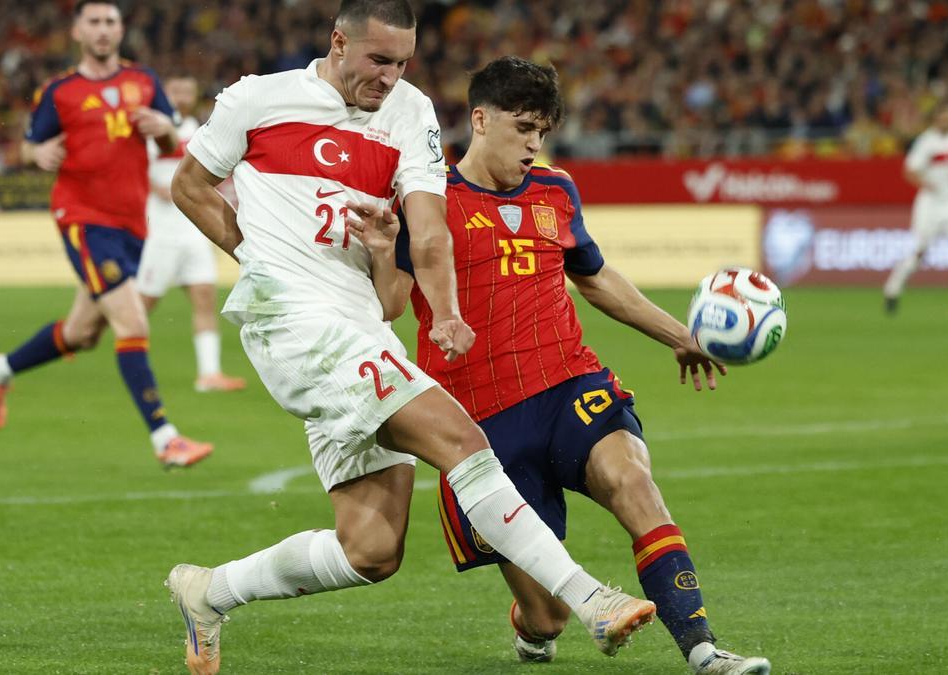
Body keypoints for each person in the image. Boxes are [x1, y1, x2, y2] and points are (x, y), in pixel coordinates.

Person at [165, 3, 657, 674]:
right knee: (463, 442)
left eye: (402, 63)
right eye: (378, 60)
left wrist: (444, 309)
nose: (390, 76)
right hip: (295, 322)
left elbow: (428, 230)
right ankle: (591, 597)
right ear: (339, 42)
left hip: (361, 327)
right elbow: (190, 185)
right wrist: (257, 258)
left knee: (371, 549)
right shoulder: (257, 99)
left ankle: (209, 591)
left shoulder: (410, 111)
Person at [391, 57, 771, 674]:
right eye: (523, 128)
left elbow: (594, 278)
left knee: (634, 482)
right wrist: (382, 249)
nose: (533, 145)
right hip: (478, 422)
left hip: (568, 382)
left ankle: (705, 651)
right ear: (480, 120)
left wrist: (679, 335)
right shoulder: (428, 200)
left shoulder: (556, 190)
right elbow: (387, 300)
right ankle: (530, 625)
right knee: (549, 618)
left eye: (542, 132)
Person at [0, 0, 213, 468]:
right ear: (78, 32)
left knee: (82, 333)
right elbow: (28, 146)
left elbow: (170, 142)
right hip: (83, 218)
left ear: (120, 30)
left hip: (132, 223)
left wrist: (163, 128)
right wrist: (36, 155)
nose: (103, 30)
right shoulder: (59, 91)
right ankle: (165, 438)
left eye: (110, 22)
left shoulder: (144, 81)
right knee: (133, 323)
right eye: (95, 22)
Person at [137, 75, 245, 393]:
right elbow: (133, 168)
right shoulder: (154, 129)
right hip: (161, 232)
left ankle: (209, 374)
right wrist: (155, 187)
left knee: (205, 297)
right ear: (164, 94)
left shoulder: (200, 129)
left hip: (194, 231)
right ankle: (129, 361)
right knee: (143, 305)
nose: (182, 96)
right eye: (176, 90)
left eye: (187, 90)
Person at [884, 103, 948, 315]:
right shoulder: (926, 142)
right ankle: (892, 289)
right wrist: (928, 185)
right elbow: (909, 171)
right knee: (920, 252)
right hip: (931, 203)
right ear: (936, 120)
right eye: (944, 118)